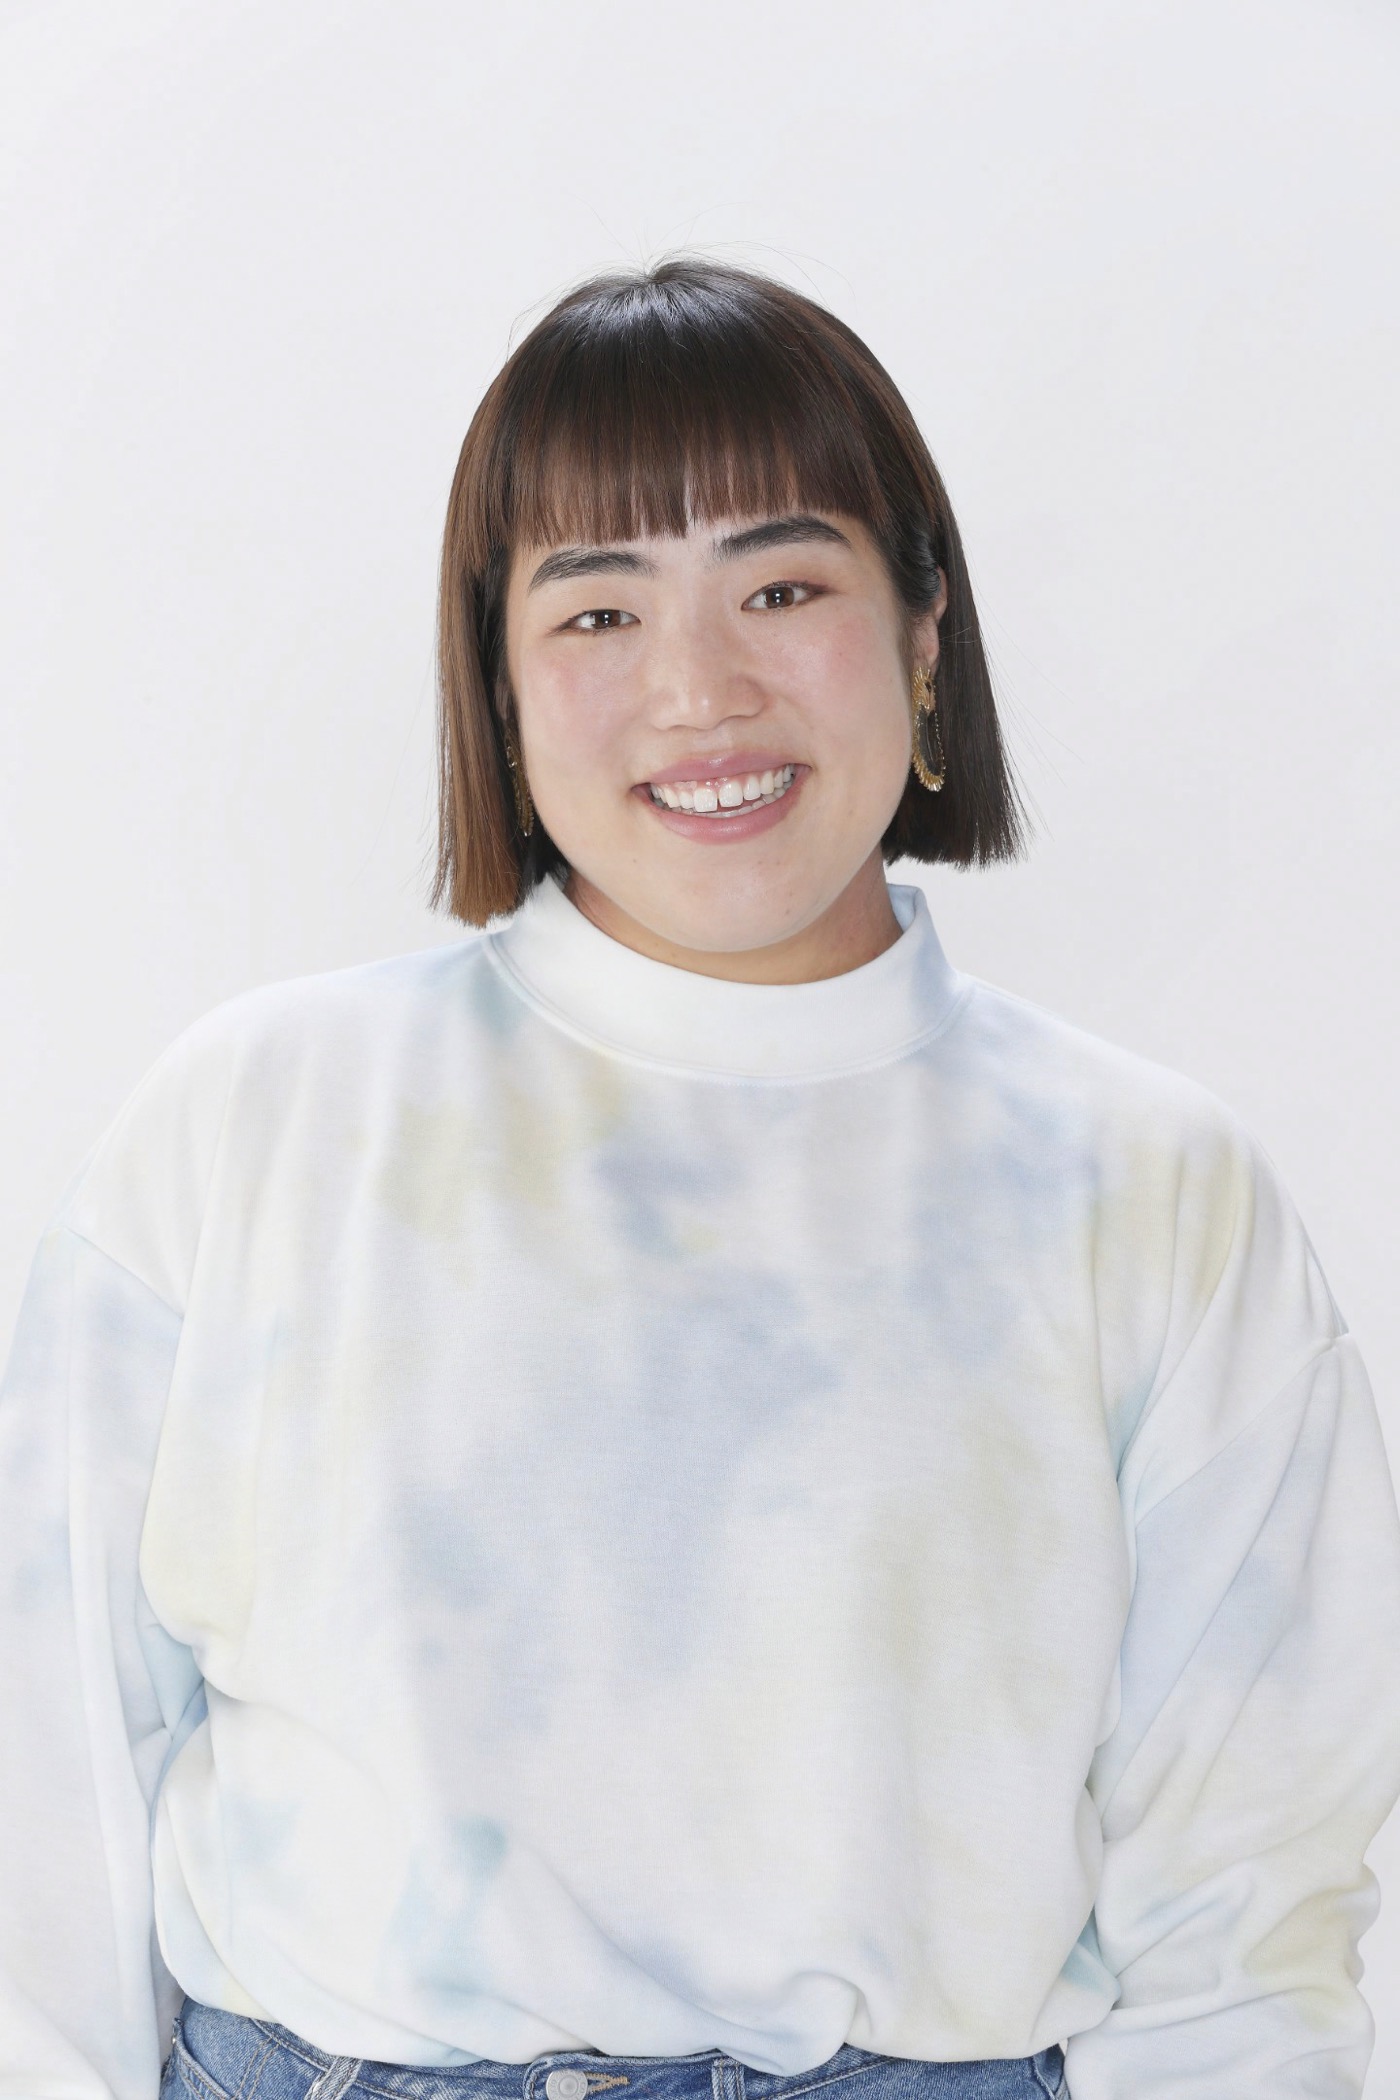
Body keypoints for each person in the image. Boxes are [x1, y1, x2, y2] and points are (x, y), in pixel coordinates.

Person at [2, 259, 1398, 2100]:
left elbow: (1251, 1914)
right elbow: (44, 1797)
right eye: (598, 612)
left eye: (784, 588)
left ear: (923, 634)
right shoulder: (261, 1120)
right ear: (498, 690)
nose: (699, 689)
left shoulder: (1152, 1191)